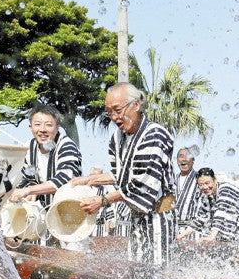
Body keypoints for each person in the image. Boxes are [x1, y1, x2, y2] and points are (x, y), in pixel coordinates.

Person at [75, 83, 176, 267]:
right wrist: (90, 180)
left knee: (158, 273)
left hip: (159, 216)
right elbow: (121, 175)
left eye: (118, 110)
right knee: (136, 272)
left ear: (136, 105)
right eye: (109, 112)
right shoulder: (117, 138)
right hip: (137, 217)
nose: (114, 117)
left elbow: (142, 184)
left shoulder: (154, 134)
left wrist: (103, 200)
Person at [4, 104, 82, 210]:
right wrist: (28, 191)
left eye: (48, 125)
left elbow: (65, 179)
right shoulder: (29, 147)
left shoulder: (66, 145)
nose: (42, 130)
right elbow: (26, 178)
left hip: (69, 211)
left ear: (58, 126)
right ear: (30, 127)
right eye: (37, 124)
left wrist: (29, 190)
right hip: (42, 211)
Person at [179, 167, 239, 243]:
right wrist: (181, 235)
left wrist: (211, 236)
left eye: (207, 183)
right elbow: (201, 219)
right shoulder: (207, 197)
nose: (205, 187)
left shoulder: (226, 189)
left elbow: (222, 212)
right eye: (201, 184)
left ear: (215, 180)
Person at [174, 146, 204, 239]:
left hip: (193, 232)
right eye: (181, 156)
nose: (184, 159)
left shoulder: (200, 180)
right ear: (177, 160)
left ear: (193, 160)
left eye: (188, 156)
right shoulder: (172, 180)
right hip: (174, 230)